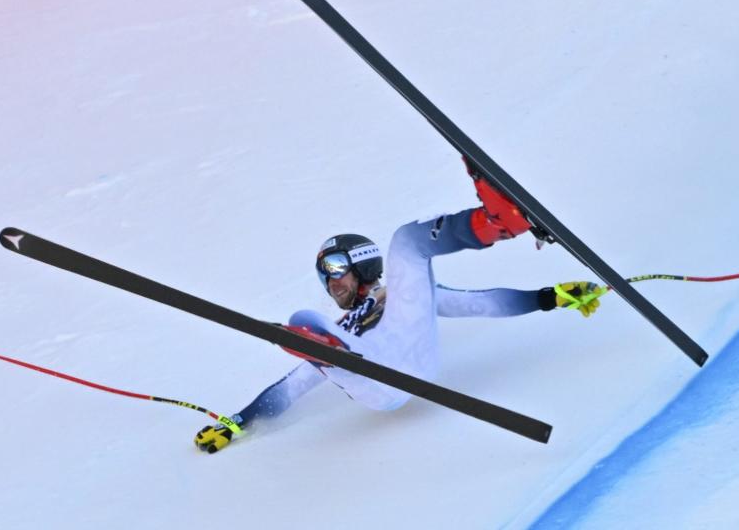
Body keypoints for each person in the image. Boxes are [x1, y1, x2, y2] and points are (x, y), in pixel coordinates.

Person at [195, 164, 603, 453]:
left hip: (409, 352)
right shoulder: (338, 326)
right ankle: (326, 353)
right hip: (373, 381)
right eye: (325, 273)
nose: (331, 279)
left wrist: (549, 297)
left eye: (336, 267)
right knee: (305, 319)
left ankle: (501, 220)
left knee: (407, 242)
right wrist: (237, 423)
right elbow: (289, 389)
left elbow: (478, 303)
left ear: (361, 262)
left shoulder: (402, 297)